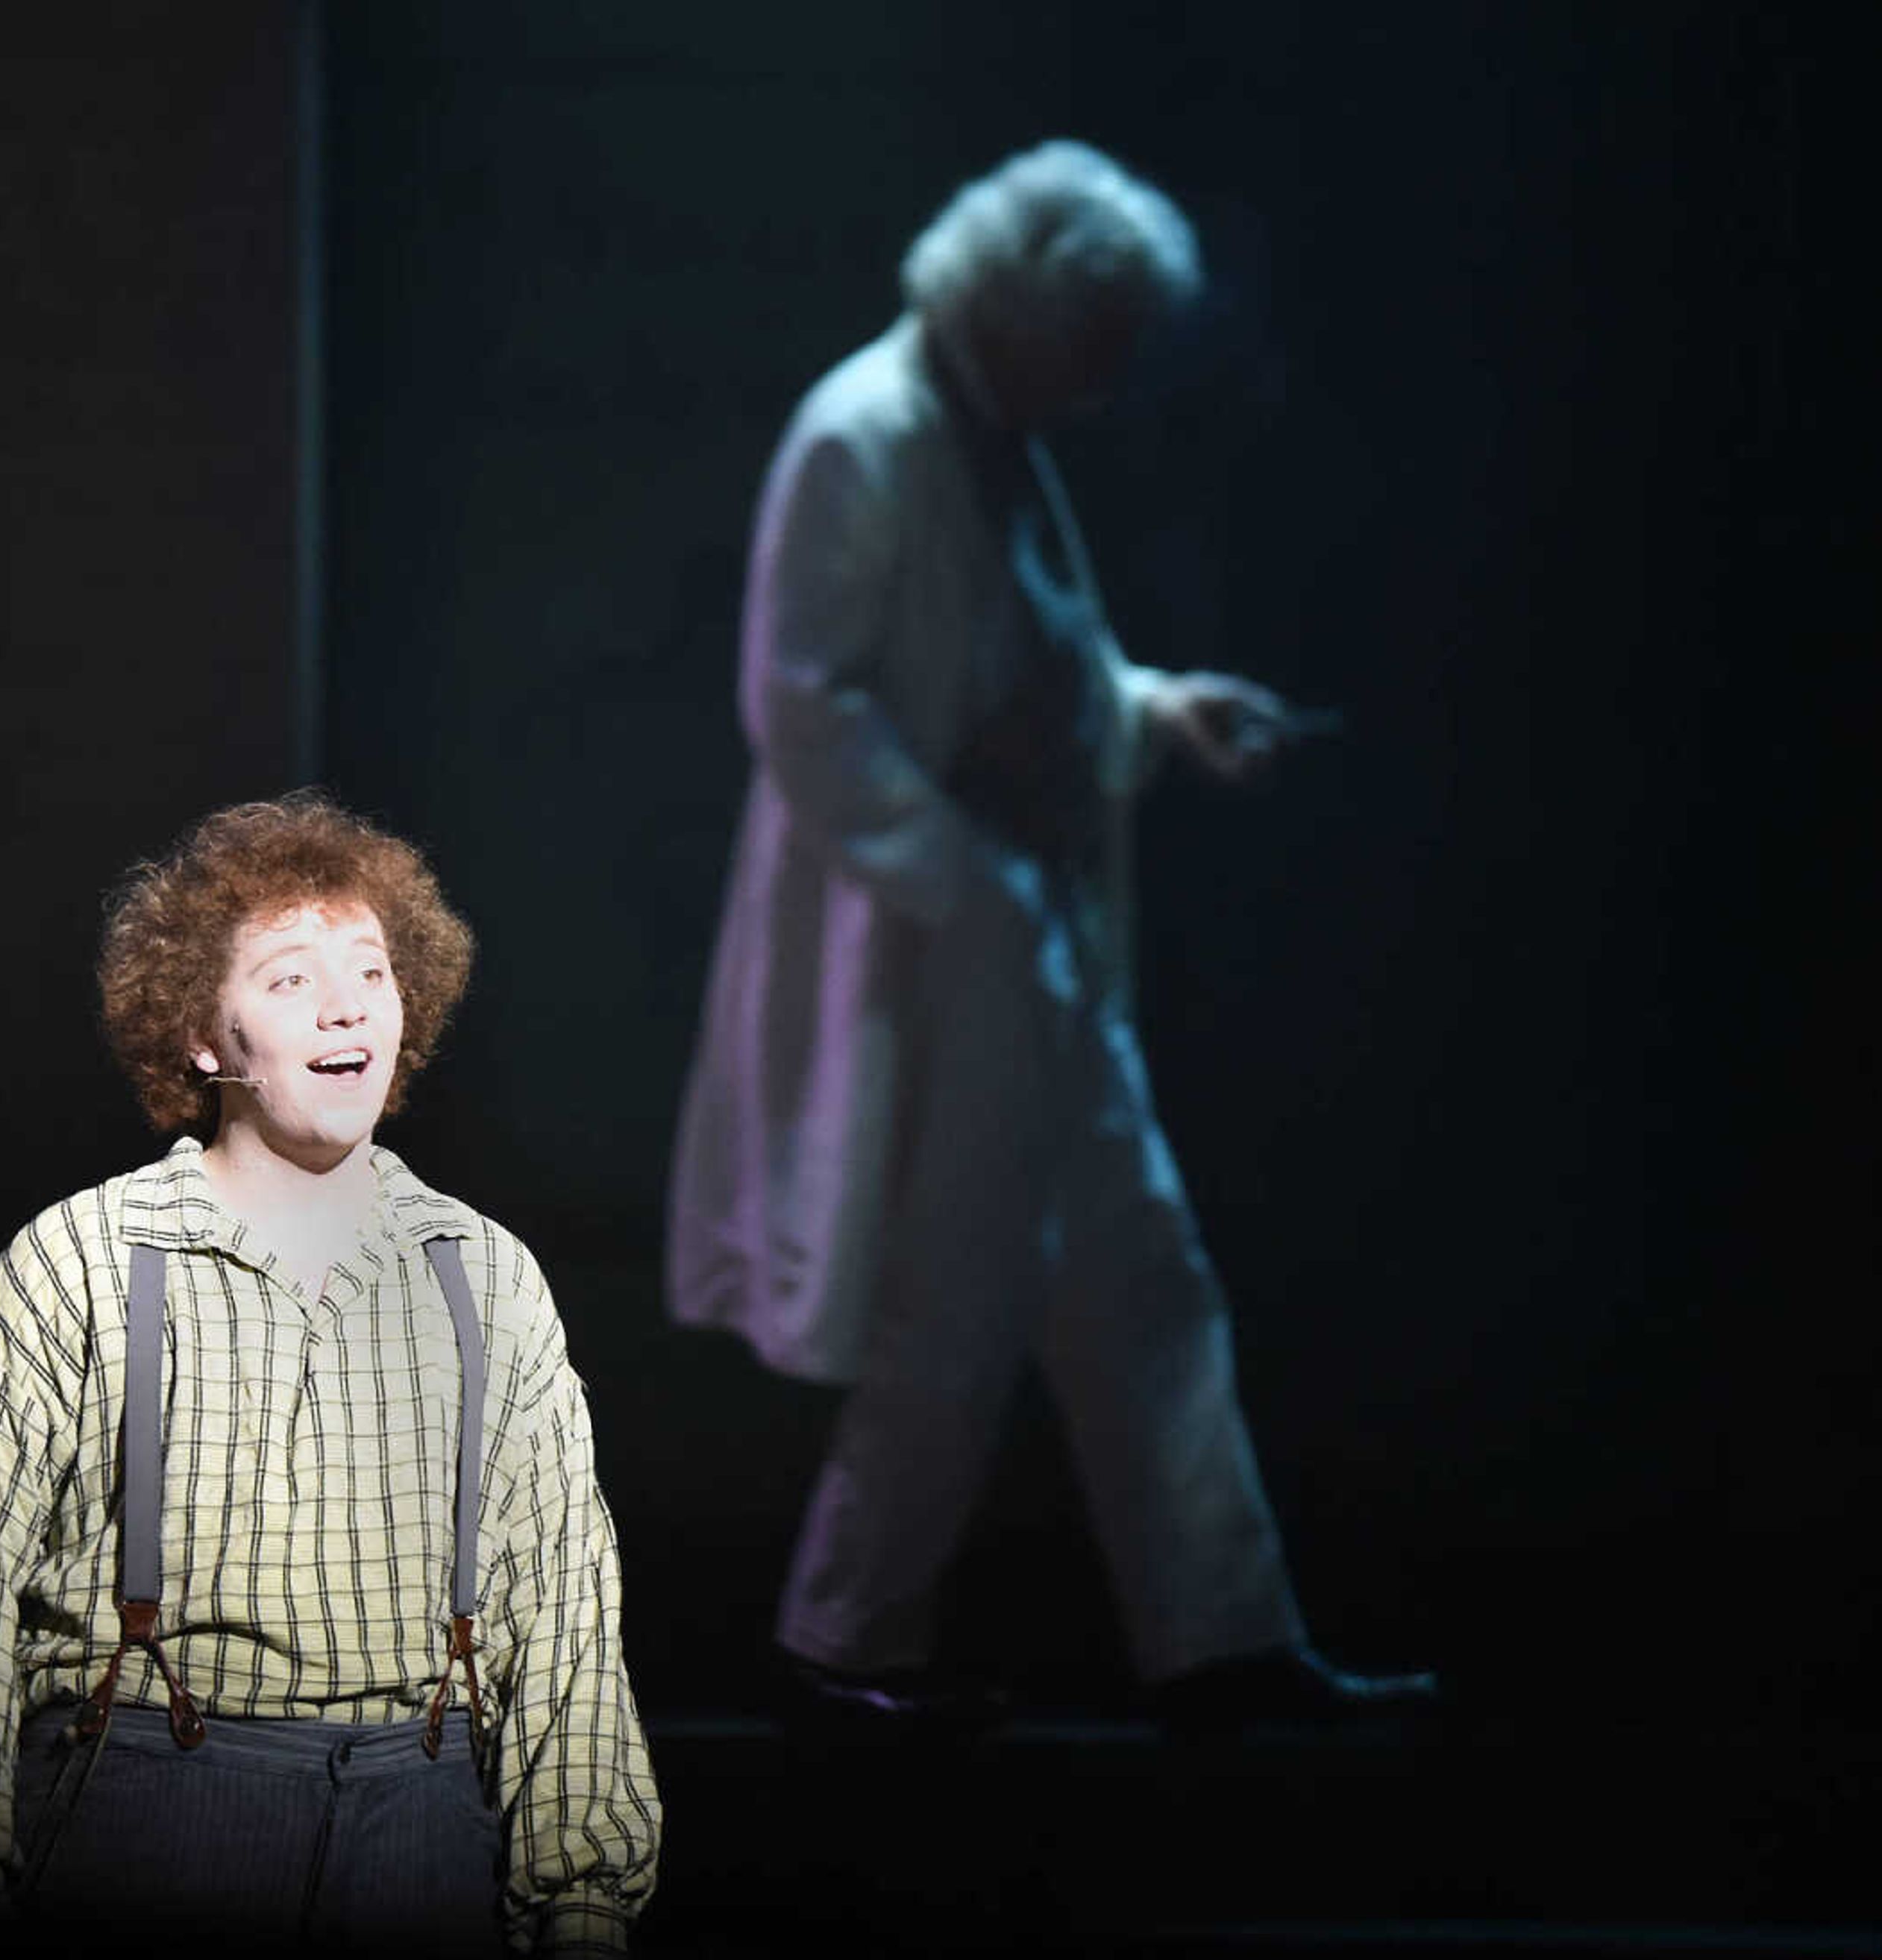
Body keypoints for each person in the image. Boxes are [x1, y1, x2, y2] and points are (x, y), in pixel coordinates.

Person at [666, 139, 1435, 1732]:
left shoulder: (989, 436)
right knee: (959, 1302)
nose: (1105, 385)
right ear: (1025, 311)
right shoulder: (866, 435)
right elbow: (802, 704)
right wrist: (970, 888)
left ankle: (1219, 1636)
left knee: (1142, 1284)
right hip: (957, 946)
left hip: (1034, 943)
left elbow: (1026, 664)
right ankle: (845, 1644)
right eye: (1094, 345)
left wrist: (1154, 712)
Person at [0, 791, 660, 1953]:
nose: (346, 1007)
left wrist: (583, 1900)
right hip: (146, 1816)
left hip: (423, 1822)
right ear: (201, 1032)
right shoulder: (82, 1261)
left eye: (371, 972)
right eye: (290, 978)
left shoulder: (481, 1274)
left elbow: (565, 1607)